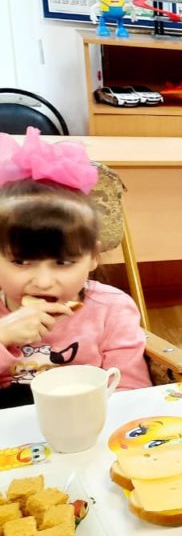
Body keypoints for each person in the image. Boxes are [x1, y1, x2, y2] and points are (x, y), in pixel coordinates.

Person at [0, 129, 149, 408]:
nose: (43, 282)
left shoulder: (111, 310)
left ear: (92, 256)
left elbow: (132, 391)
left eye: (63, 262)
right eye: (21, 262)